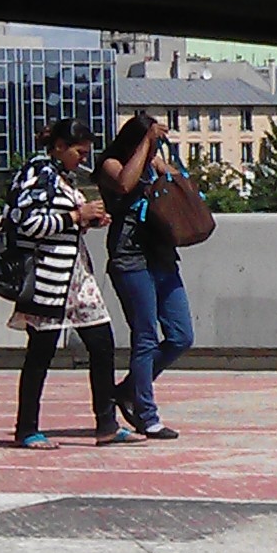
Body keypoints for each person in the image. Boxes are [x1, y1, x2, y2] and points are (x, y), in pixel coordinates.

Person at [4, 119, 128, 448]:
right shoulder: (38, 172)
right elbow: (25, 221)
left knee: (102, 344)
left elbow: (59, 224)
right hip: (49, 277)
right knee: (41, 353)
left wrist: (87, 221)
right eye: (79, 152)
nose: (82, 159)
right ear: (59, 146)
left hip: (76, 277)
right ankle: (27, 428)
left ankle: (107, 424)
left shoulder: (63, 176)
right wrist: (75, 216)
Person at [97, 112, 192, 439]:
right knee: (145, 336)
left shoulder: (153, 165)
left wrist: (167, 167)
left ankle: (126, 390)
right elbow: (124, 183)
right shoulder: (110, 163)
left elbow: (181, 190)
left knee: (181, 335)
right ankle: (146, 414)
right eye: (147, 139)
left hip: (162, 256)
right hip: (130, 258)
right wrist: (146, 145)